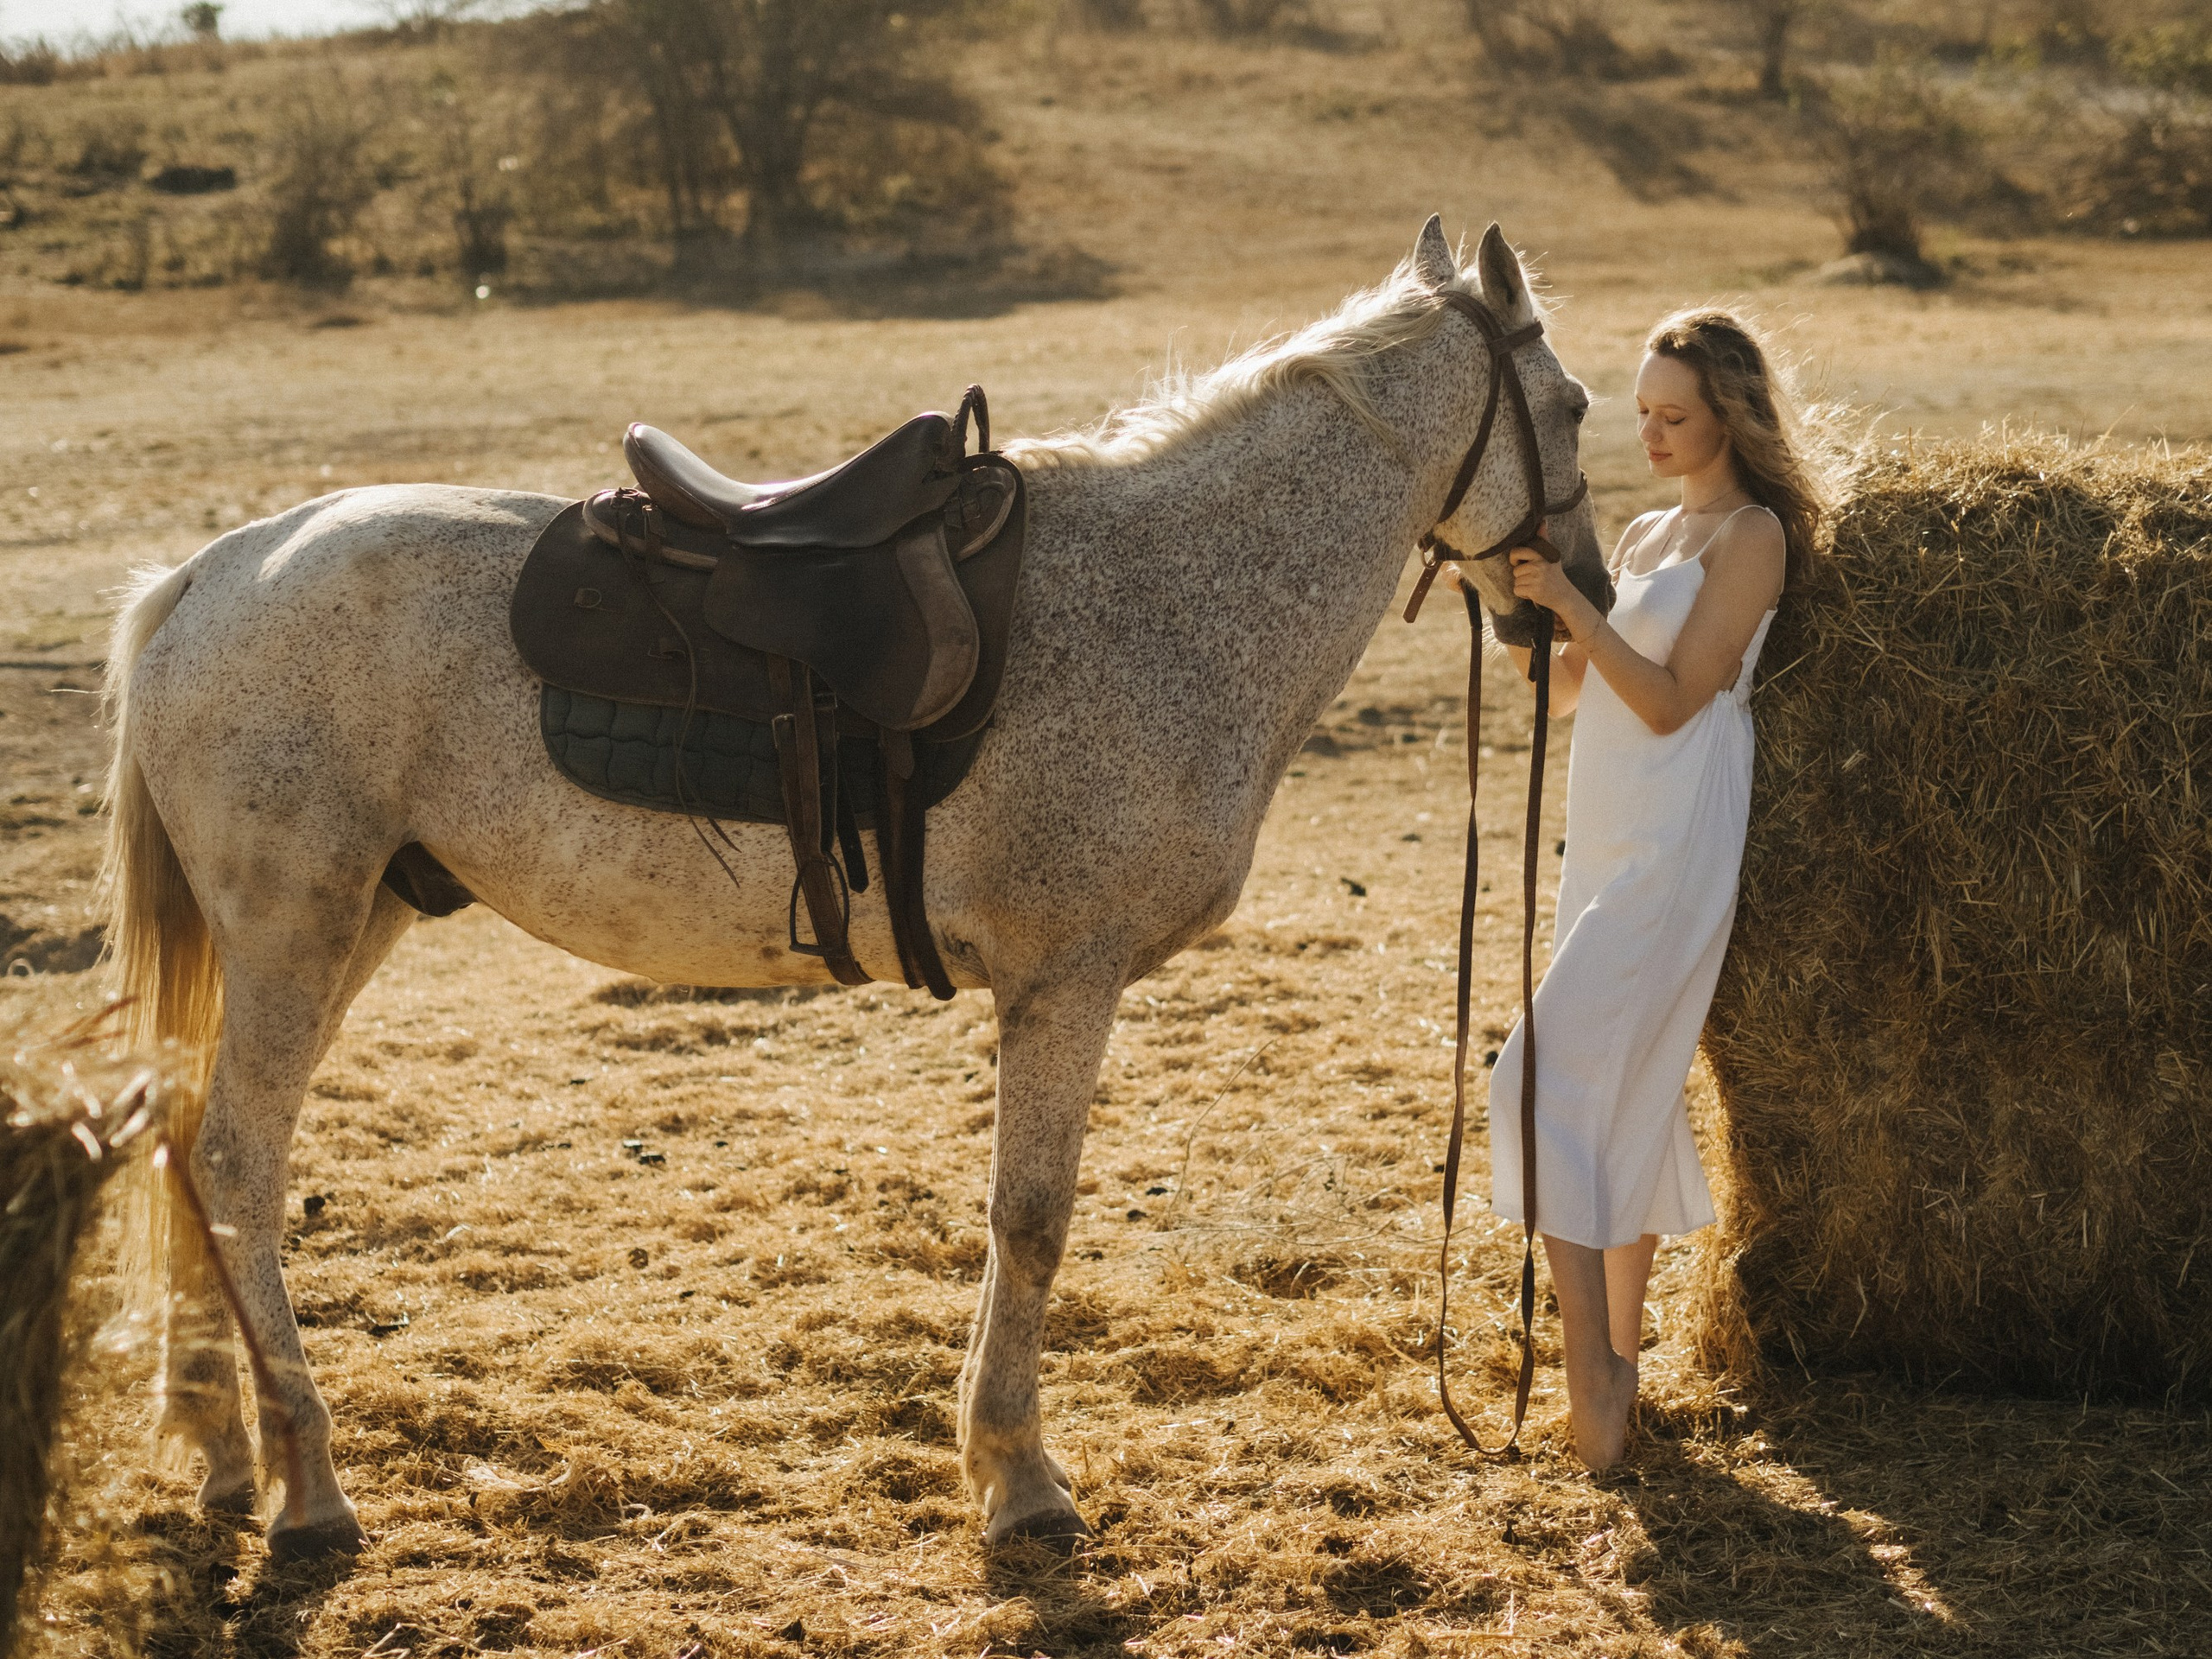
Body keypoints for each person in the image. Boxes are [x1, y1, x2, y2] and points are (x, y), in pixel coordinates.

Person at [1483, 309, 1827, 1469]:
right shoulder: (1636, 537)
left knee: (1533, 1081)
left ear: (1728, 412)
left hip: (1676, 835)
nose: (1653, 434)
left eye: (1674, 415)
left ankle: (1596, 1378)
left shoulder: (1751, 540)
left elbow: (1677, 699)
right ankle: (1620, 1381)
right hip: (1605, 833)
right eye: (1642, 414)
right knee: (1619, 1102)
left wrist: (1580, 608)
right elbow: (1574, 692)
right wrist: (1520, 606)